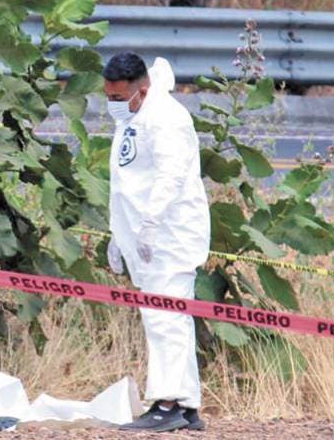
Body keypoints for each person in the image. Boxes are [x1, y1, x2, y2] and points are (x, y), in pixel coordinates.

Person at [102, 52, 210, 433]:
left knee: (165, 319)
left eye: (118, 98)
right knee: (169, 317)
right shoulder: (133, 116)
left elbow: (170, 177)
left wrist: (149, 225)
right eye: (108, 97)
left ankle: (167, 404)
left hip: (169, 234)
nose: (112, 105)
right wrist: (119, 235)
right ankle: (187, 405)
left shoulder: (166, 118)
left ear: (142, 90)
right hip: (146, 238)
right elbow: (126, 182)